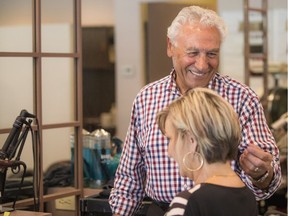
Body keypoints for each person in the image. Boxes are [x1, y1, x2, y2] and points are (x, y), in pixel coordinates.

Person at [109, 5, 281, 215]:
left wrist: (262, 174)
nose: (202, 65)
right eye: (192, 53)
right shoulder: (146, 99)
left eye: (211, 54)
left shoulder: (242, 99)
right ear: (170, 47)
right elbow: (129, 176)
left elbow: (269, 183)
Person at [157, 87, 258, 216]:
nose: (169, 151)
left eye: (170, 139)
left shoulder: (188, 202)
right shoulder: (248, 197)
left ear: (191, 140)